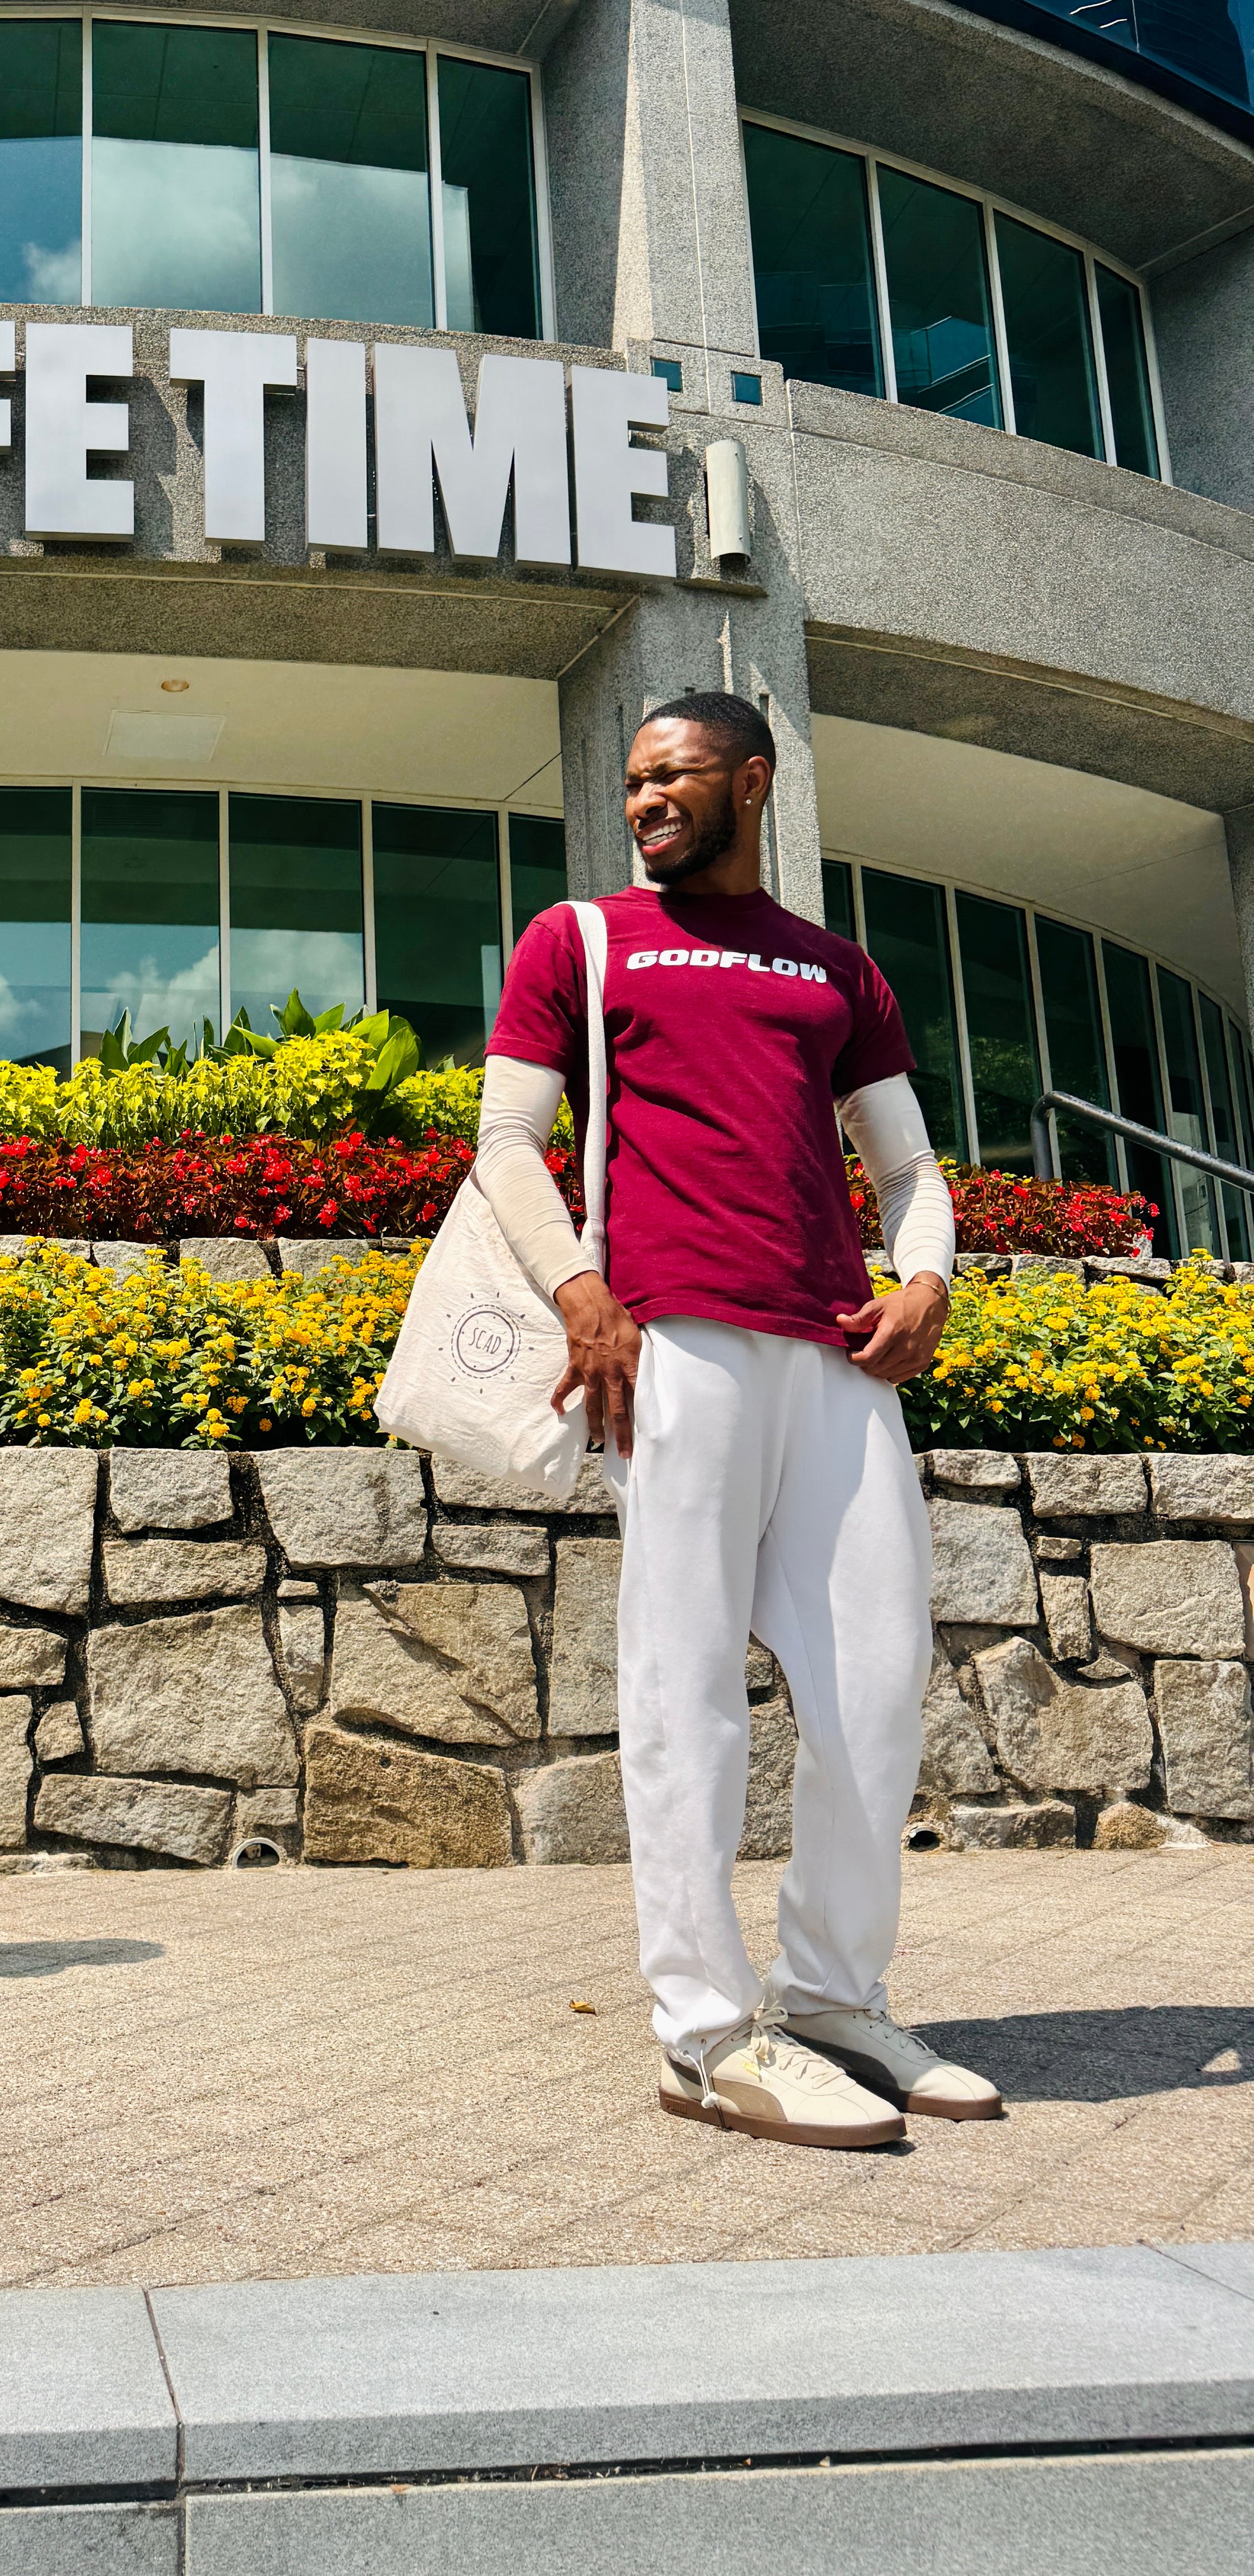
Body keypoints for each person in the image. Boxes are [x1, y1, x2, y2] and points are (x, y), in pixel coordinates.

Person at [478, 694, 1001, 2146]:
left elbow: (908, 1170)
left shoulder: (836, 967)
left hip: (835, 1351)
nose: (646, 797)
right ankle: (706, 2034)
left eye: (675, 773)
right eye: (633, 778)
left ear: (752, 780)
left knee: (876, 1683)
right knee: (686, 1689)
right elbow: (508, 1141)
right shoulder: (582, 941)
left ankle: (834, 1999)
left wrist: (930, 1279)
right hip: (675, 1343)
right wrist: (583, 1289)